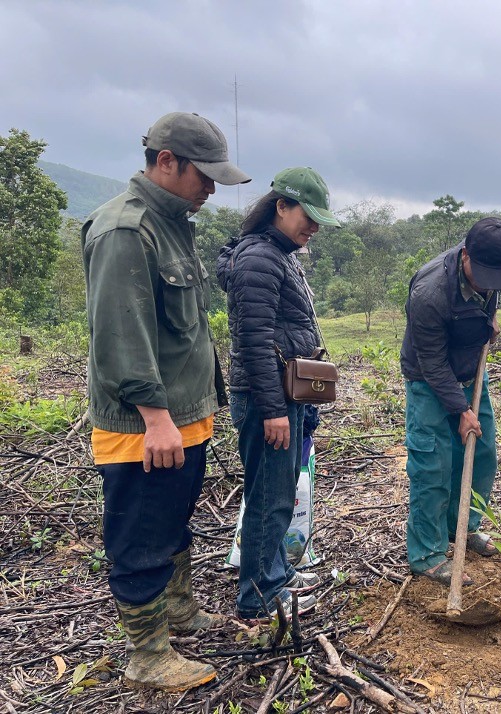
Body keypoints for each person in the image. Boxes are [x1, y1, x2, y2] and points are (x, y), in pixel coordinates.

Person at [82, 111, 250, 691]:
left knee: (174, 522)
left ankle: (178, 612)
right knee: (142, 534)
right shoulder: (126, 231)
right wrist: (156, 418)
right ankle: (148, 655)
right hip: (145, 425)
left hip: (183, 414)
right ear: (166, 162)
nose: (210, 189)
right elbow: (120, 337)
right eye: (203, 176)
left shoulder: (174, 222)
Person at [217, 167, 339, 621]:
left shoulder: (281, 253)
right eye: (306, 216)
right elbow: (253, 340)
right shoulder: (260, 259)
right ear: (280, 206)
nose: (313, 227)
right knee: (270, 497)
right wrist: (274, 410)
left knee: (280, 492)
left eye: (317, 219)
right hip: (267, 396)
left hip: (286, 395)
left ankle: (276, 572)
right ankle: (259, 596)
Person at [401, 217, 501, 585]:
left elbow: (490, 296)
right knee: (433, 464)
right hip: (429, 379)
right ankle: (428, 554)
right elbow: (432, 363)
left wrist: (490, 318)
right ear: (466, 255)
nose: (489, 285)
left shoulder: (490, 271)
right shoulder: (430, 293)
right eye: (483, 275)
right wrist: (461, 410)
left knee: (482, 453)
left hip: (471, 373)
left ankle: (462, 527)